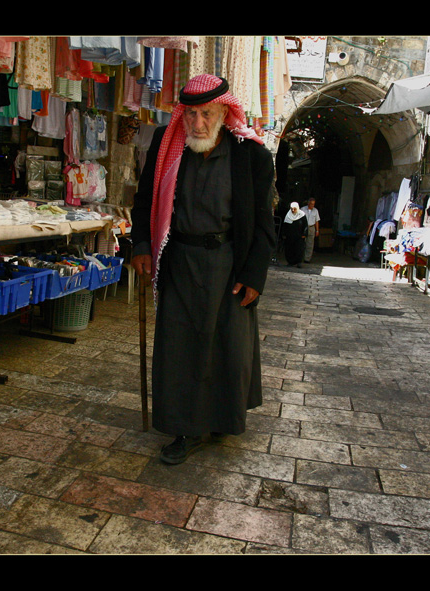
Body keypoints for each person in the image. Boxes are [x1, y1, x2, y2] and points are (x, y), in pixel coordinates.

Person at [130, 74, 276, 465]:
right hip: (179, 260)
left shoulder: (251, 155)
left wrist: (254, 275)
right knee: (181, 347)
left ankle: (221, 420)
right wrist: (141, 245)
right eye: (190, 114)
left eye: (206, 114)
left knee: (228, 347)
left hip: (230, 263)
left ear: (225, 111)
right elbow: (144, 199)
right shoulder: (167, 144)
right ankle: (185, 428)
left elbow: (264, 224)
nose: (196, 124)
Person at [281, 201, 307, 267]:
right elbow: (285, 225)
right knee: (289, 249)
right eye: (291, 208)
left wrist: (304, 234)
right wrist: (284, 234)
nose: (293, 210)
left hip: (299, 236)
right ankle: (290, 262)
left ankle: (299, 262)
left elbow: (305, 225)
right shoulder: (288, 215)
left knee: (299, 249)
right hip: (290, 236)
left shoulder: (302, 215)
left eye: (294, 209)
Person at [304, 198, 321, 262]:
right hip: (304, 227)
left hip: (311, 227)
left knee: (310, 244)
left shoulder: (315, 211)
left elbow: (317, 221)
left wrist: (317, 230)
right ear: (308, 203)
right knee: (302, 243)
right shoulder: (303, 209)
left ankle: (307, 259)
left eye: (313, 204)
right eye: (311, 204)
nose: (312, 205)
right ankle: (301, 257)